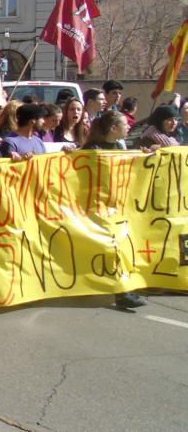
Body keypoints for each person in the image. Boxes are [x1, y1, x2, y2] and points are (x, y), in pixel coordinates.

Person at [83, 111, 148, 310]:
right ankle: (122, 293)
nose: (129, 127)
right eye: (125, 124)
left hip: (117, 208)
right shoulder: (91, 149)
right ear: (113, 128)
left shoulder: (120, 147)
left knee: (120, 247)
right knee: (114, 248)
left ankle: (124, 288)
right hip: (96, 209)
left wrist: (144, 156)